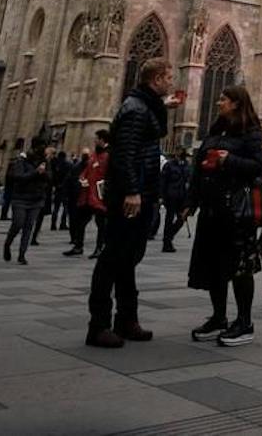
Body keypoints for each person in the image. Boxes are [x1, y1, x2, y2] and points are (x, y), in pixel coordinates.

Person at [86, 58, 177, 348]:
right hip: (131, 195)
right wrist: (132, 191)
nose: (172, 81)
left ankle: (126, 319)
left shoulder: (143, 106)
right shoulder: (136, 110)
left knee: (129, 258)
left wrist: (164, 107)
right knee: (114, 257)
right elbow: (124, 153)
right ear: (157, 79)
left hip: (142, 191)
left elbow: (153, 136)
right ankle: (98, 325)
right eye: (169, 77)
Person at [185, 85, 262, 346]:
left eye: (223, 99)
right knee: (214, 266)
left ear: (236, 103)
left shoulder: (251, 132)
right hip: (212, 208)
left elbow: (258, 166)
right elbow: (199, 167)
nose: (219, 102)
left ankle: (244, 322)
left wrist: (228, 160)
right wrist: (192, 199)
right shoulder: (216, 129)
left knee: (239, 267)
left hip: (236, 211)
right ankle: (219, 318)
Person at [5, 146, 51, 264]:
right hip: (20, 198)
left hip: (36, 200)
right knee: (18, 223)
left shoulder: (45, 163)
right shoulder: (21, 163)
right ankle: (7, 244)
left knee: (29, 226)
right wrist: (36, 172)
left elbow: (50, 178)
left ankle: (22, 254)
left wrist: (44, 173)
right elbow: (19, 178)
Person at [159, 149, 191, 253]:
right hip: (171, 196)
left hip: (182, 197)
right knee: (169, 219)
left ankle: (169, 235)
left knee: (182, 218)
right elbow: (163, 181)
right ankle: (167, 242)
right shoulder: (169, 165)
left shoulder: (187, 165)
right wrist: (161, 196)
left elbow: (188, 180)